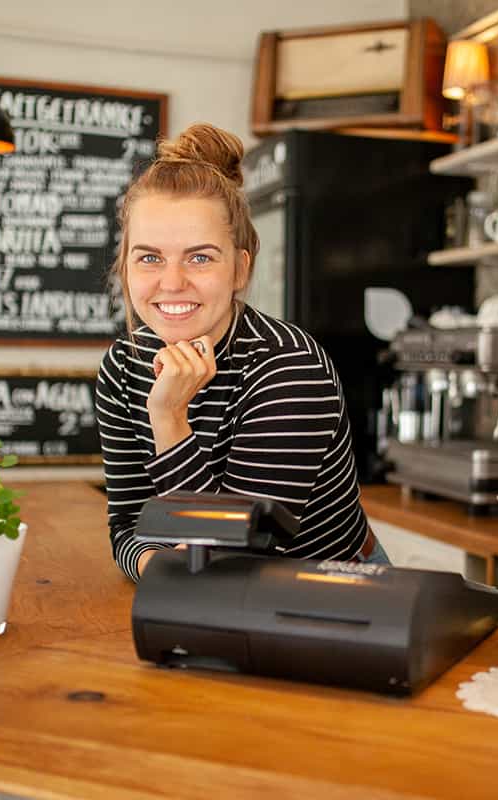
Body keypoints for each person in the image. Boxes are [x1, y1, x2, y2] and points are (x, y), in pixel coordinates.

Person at [96, 122, 388, 581]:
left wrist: (169, 416)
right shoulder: (121, 368)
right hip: (204, 596)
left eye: (200, 257)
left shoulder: (288, 367)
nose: (172, 282)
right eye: (149, 257)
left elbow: (234, 559)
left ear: (240, 269)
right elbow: (129, 525)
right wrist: (167, 574)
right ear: (126, 266)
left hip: (332, 592)